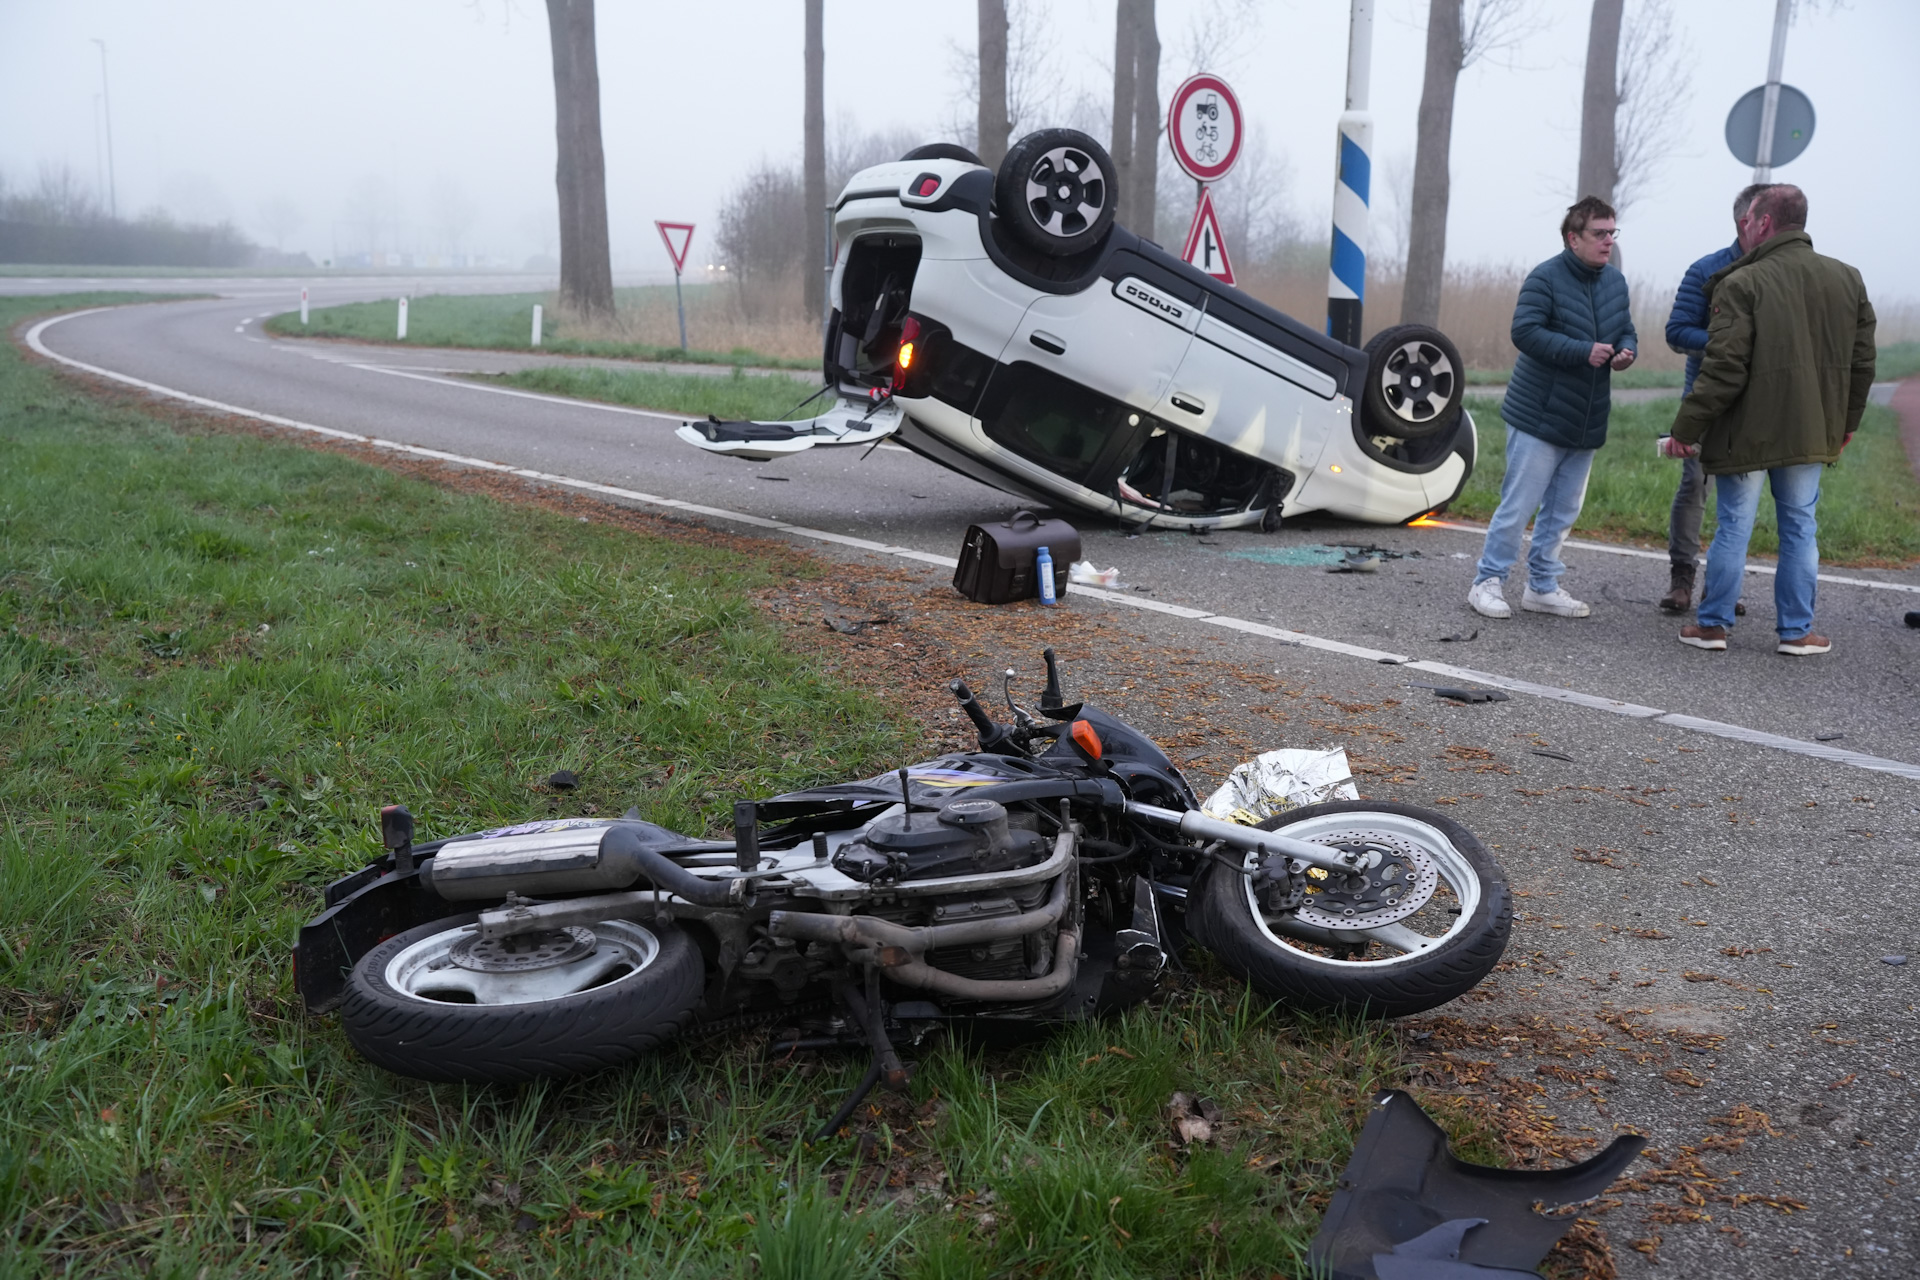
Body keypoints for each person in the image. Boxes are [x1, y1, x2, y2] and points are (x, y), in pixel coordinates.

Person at [1664, 184, 1876, 656]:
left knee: (1734, 523)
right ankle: (1797, 632)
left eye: (1751, 219)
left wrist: (1686, 428)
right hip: (1811, 426)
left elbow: (1723, 368)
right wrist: (1848, 422)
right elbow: (1862, 363)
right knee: (1801, 525)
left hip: (1746, 430)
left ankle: (1713, 625)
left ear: (1762, 223)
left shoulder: (1741, 282)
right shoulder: (1848, 279)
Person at [1467, 196, 1637, 620]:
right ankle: (1486, 582)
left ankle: (1541, 586)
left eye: (1612, 233)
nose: (1607, 242)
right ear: (1572, 238)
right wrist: (1583, 351)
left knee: (1563, 511)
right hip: (1538, 415)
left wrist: (1627, 351)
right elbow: (1524, 332)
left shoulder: (1616, 282)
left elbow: (1626, 330)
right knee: (1519, 506)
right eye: (1599, 233)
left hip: (1587, 417)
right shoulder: (1545, 278)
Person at [1658, 182, 1774, 614]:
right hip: (1706, 401)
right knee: (1693, 487)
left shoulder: (1779, 273)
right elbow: (1676, 332)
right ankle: (1681, 579)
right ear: (1748, 222)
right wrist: (1726, 343)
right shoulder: (1705, 270)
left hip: (1758, 406)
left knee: (1741, 498)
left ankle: (1723, 588)